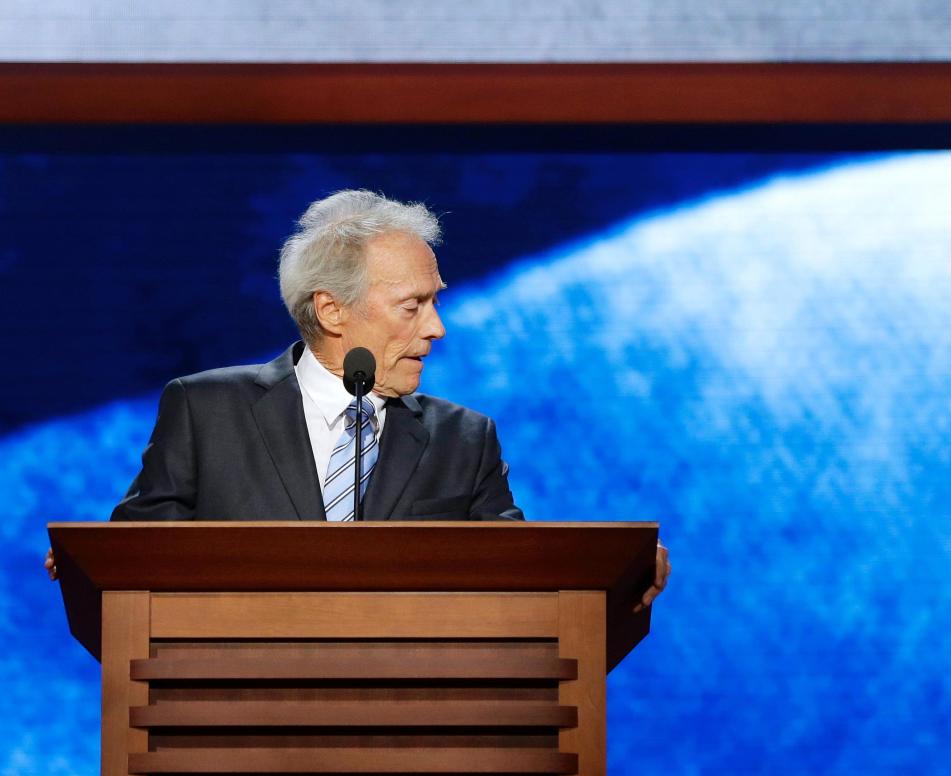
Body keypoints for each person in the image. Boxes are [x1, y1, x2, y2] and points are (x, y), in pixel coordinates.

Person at [46, 189, 669, 605]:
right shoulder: (206, 411)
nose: (437, 328)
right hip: (237, 742)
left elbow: (527, 582)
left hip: (411, 751)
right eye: (413, 305)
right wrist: (89, 566)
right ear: (331, 310)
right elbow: (135, 564)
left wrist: (615, 575)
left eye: (437, 300)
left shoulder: (464, 438)